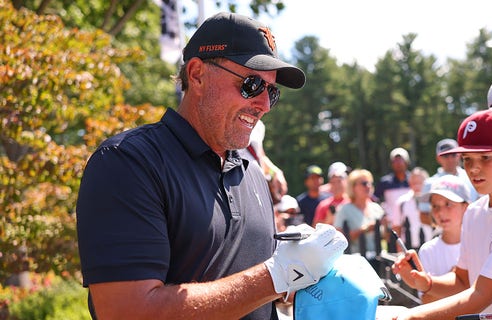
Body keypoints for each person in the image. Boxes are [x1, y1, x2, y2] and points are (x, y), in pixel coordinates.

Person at [75, 12, 348, 320]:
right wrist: (277, 275)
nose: (265, 104)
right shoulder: (128, 162)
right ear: (197, 75)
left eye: (271, 91)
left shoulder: (251, 171)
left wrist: (311, 275)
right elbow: (128, 311)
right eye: (251, 84)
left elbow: (255, 293)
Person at [391, 108, 492, 320]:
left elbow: (480, 295)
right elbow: (463, 281)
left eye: (485, 157)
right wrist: (427, 283)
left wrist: (410, 317)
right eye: (467, 159)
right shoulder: (474, 211)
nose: (474, 168)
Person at [415, 174, 472, 303]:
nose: (441, 212)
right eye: (435, 206)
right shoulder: (427, 251)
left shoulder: (479, 245)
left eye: (448, 204)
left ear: (466, 207)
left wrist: (437, 287)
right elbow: (426, 300)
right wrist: (455, 278)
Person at [334, 169, 386, 260]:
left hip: (378, 259)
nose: (368, 186)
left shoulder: (376, 208)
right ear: (353, 187)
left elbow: (385, 237)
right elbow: (337, 240)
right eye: (364, 183)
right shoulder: (343, 210)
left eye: (370, 183)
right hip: (355, 260)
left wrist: (387, 227)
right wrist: (366, 229)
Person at [391, 167, 433, 250]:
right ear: (409, 183)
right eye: (414, 183)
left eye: (420, 183)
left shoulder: (434, 200)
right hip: (409, 247)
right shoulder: (401, 202)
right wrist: (400, 250)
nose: (417, 186)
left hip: (431, 246)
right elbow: (397, 227)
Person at [312, 161, 350, 227]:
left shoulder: (353, 202)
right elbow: (314, 230)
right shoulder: (323, 205)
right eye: (333, 182)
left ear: (346, 181)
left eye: (339, 181)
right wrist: (328, 220)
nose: (336, 185)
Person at [374, 147, 411, 211]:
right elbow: (374, 199)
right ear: (391, 164)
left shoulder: (413, 180)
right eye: (395, 161)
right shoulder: (384, 182)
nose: (398, 163)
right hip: (391, 220)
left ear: (406, 162)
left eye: (400, 160)